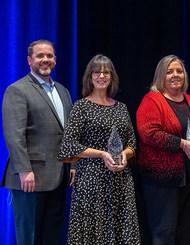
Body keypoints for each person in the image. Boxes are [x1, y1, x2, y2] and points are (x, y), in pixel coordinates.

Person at [58, 55, 141, 244]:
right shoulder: (81, 107)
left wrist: (123, 156)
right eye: (97, 72)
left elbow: (132, 144)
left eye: (106, 72)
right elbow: (68, 146)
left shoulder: (121, 108)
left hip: (120, 181)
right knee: (93, 232)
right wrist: (102, 154)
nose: (101, 75)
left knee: (121, 232)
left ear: (112, 77)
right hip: (90, 180)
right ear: (90, 76)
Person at [1, 39, 74, 244]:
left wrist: (73, 164)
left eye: (49, 56)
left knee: (52, 236)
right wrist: (24, 170)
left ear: (55, 60)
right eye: (40, 56)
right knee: (29, 238)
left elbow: (69, 133)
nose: (45, 60)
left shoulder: (63, 91)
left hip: (59, 177)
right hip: (30, 179)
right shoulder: (17, 90)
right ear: (29, 60)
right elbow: (14, 135)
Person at [136, 55, 190, 245]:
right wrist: (183, 144)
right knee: (164, 234)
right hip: (162, 180)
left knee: (184, 234)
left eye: (179, 71)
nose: (175, 75)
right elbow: (149, 133)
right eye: (169, 72)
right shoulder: (152, 99)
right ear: (161, 76)